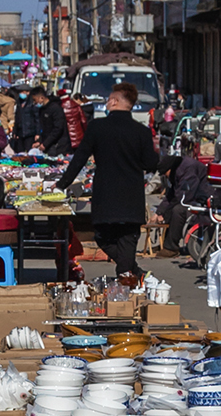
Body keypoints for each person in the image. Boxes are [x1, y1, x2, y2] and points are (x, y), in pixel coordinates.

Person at [58, 81, 163, 280]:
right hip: (132, 195)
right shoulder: (141, 131)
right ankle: (130, 272)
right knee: (128, 237)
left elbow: (80, 158)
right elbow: (150, 163)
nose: (106, 103)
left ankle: (128, 275)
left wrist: (61, 184)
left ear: (115, 101)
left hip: (105, 194)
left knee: (102, 236)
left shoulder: (97, 127)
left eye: (108, 99)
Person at [166, 136, 215, 249]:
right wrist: (160, 212)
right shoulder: (181, 167)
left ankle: (171, 246)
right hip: (195, 197)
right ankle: (167, 244)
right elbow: (171, 194)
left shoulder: (188, 167)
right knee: (172, 208)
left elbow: (187, 192)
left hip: (200, 198)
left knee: (178, 210)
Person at [15, 87, 69, 157]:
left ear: (41, 98)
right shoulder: (42, 109)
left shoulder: (55, 108)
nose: (34, 103)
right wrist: (39, 141)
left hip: (58, 146)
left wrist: (45, 143)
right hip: (48, 146)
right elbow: (44, 129)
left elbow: (58, 129)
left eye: (35, 100)